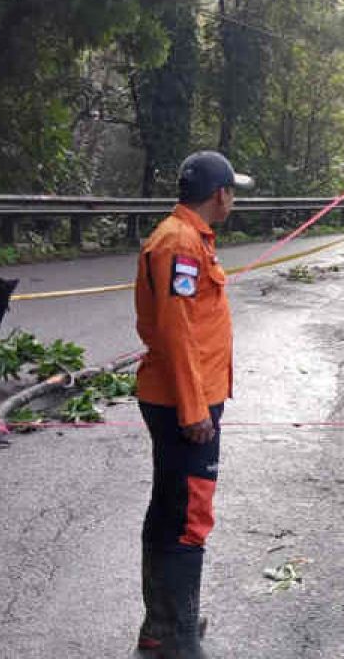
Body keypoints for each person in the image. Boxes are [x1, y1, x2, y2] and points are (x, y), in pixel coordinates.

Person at [134, 151, 252, 658]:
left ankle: (165, 622)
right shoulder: (181, 243)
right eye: (233, 191)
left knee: (171, 508)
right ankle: (175, 636)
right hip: (187, 404)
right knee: (187, 513)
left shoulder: (187, 237)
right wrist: (193, 409)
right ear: (220, 193)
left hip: (186, 396)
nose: (234, 198)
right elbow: (177, 332)